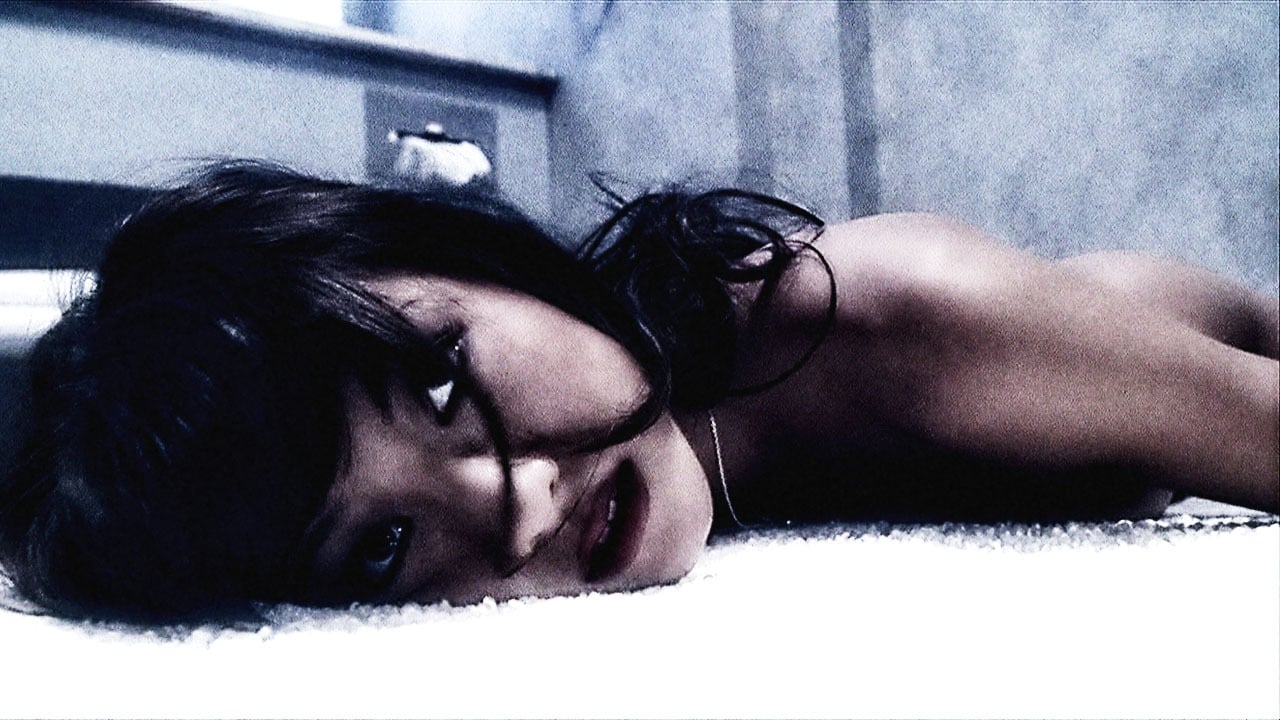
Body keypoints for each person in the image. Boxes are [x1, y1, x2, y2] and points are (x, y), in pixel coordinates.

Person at [1, 161, 1275, 623]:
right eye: (382, 546)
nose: (513, 509)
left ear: (473, 255)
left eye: (441, 385)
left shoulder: (903, 318)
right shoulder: (694, 451)